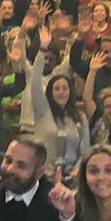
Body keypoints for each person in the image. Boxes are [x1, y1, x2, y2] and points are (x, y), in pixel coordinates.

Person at [22, 28, 91, 179]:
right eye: (57, 89)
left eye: (65, 88)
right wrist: (42, 50)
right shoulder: (43, 111)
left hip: (72, 177)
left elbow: (85, 151)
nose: (61, 92)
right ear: (50, 92)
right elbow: (35, 82)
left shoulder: (80, 117)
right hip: (45, 176)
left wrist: (75, 173)